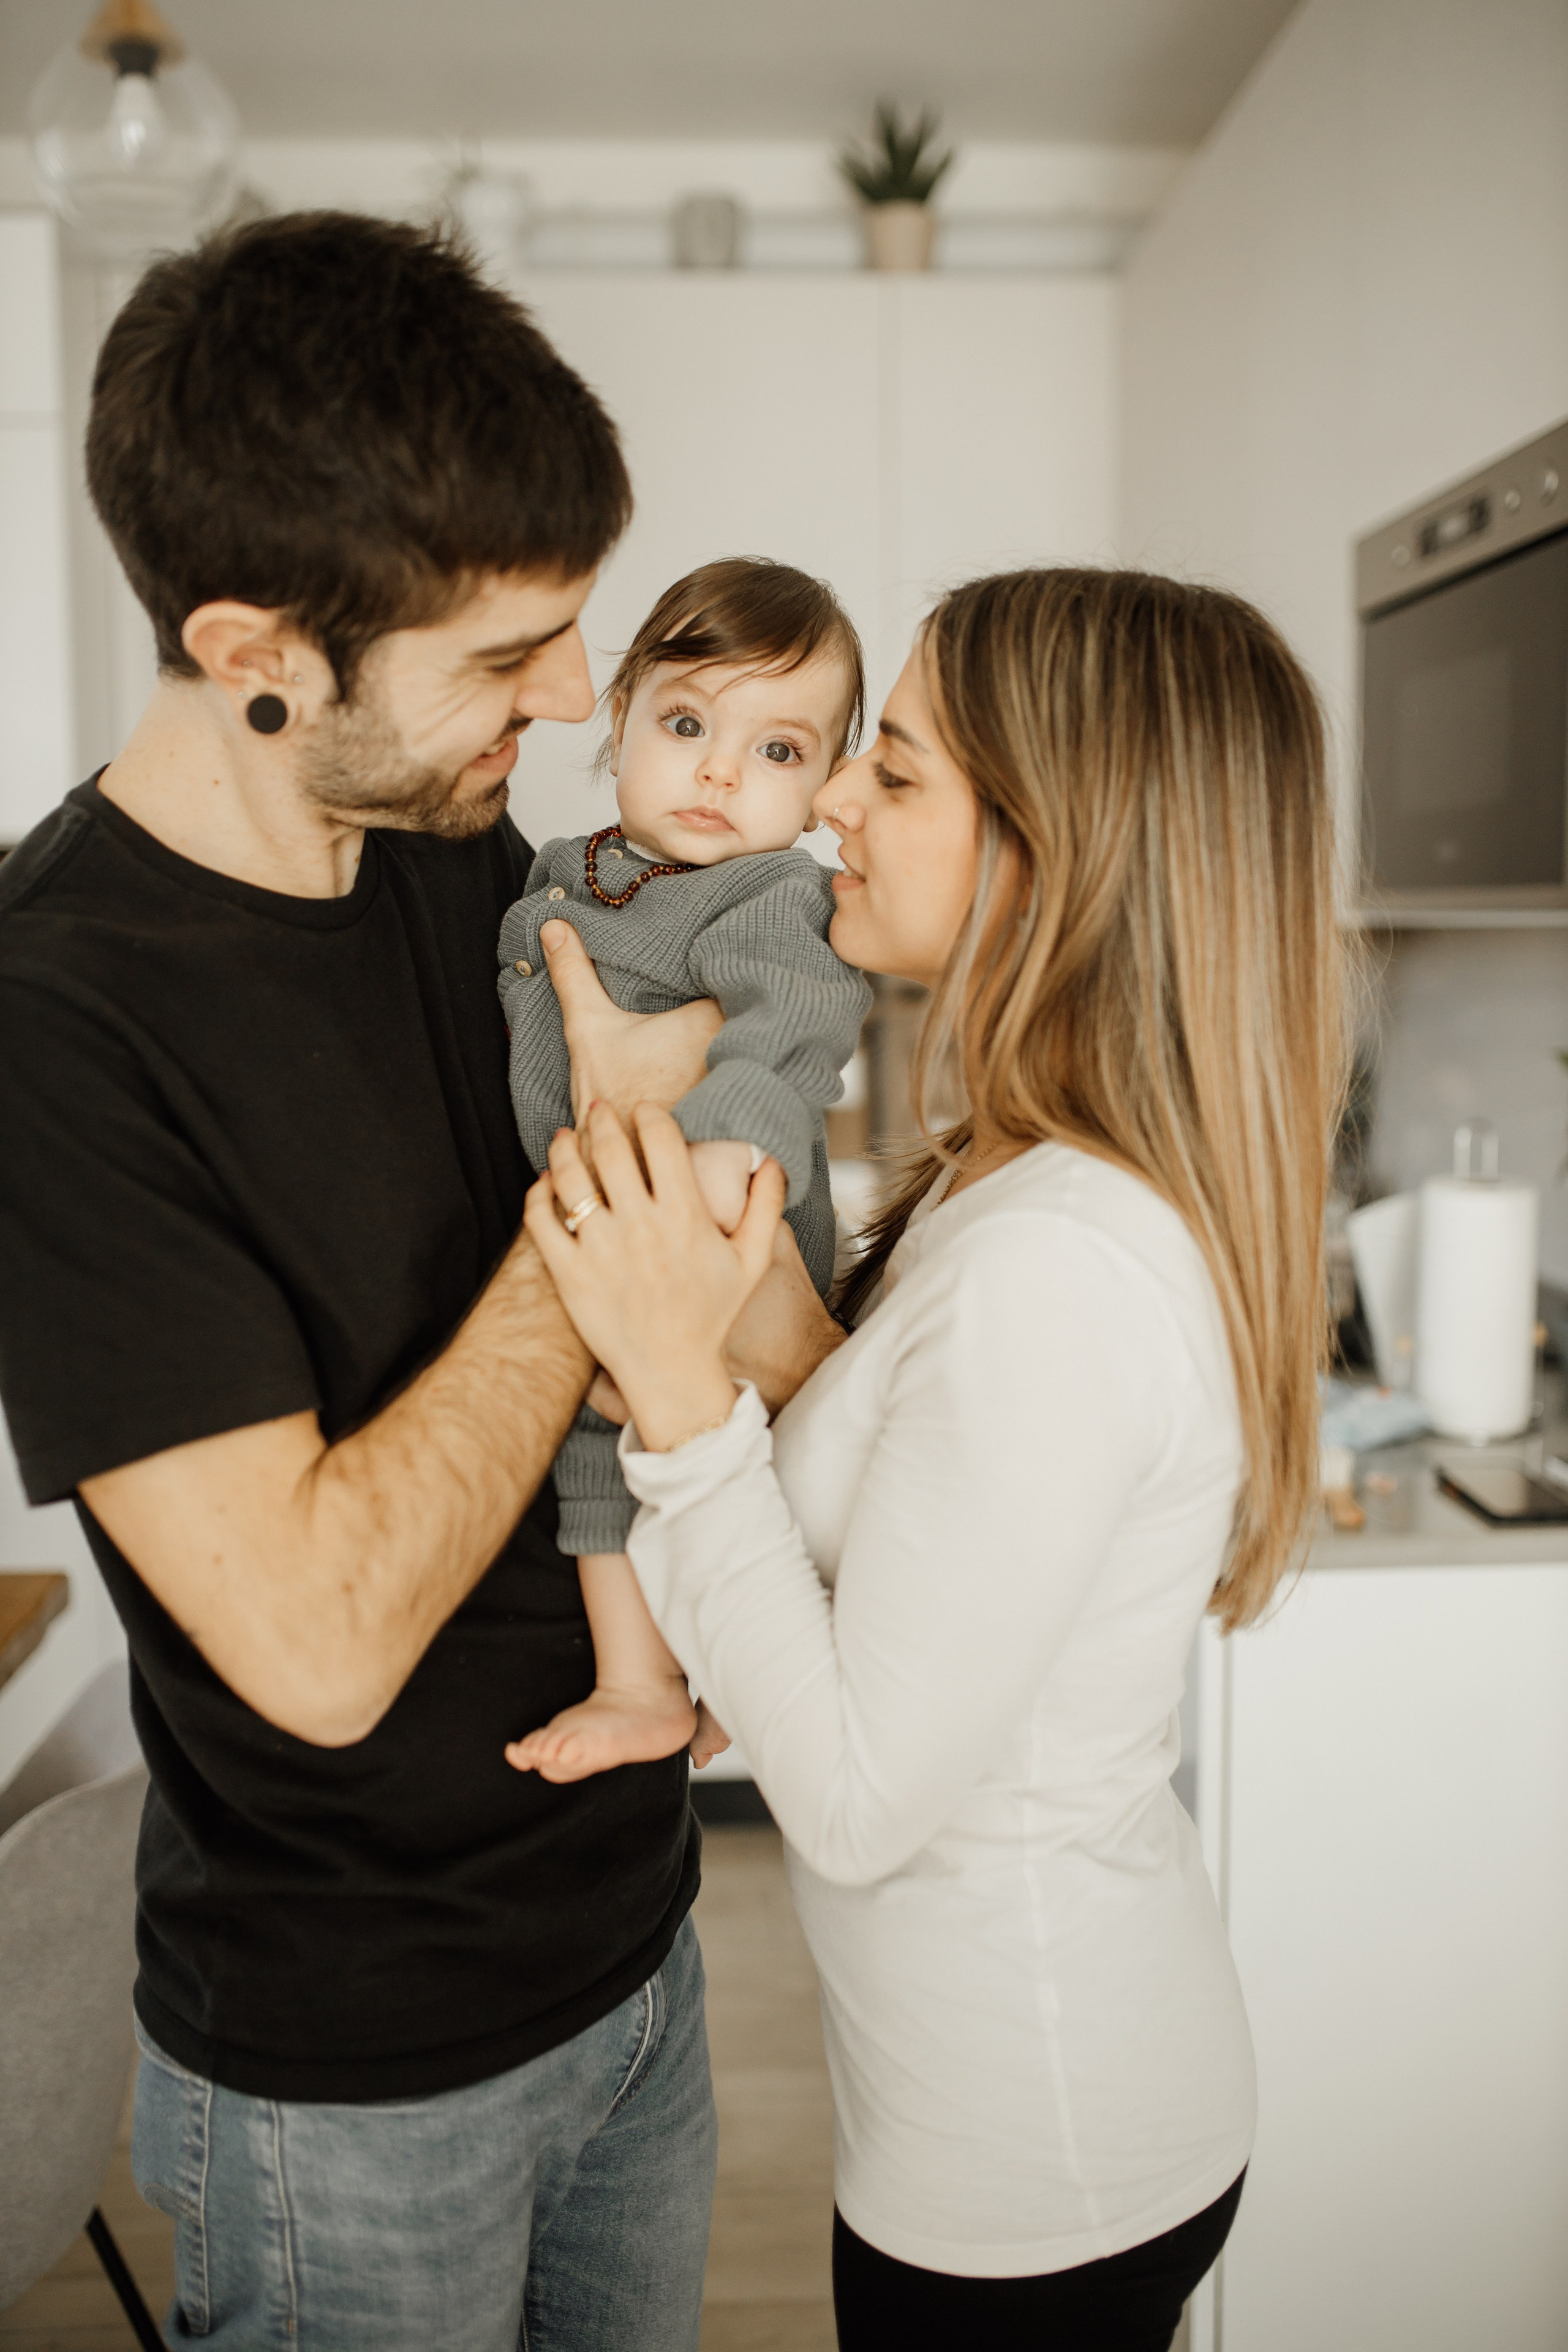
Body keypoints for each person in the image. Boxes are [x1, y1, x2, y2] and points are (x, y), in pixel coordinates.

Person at [0, 211, 839, 2352]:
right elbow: (318, 1648)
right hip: (350, 2100)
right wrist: (608, 1179)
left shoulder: (471, 855)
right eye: (505, 658)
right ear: (255, 644)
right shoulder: (55, 1014)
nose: (569, 703)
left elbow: (739, 1311)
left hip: (640, 1959)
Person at [523, 567, 1350, 2350]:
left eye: (890, 771)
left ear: (1048, 852)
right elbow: (897, 1501)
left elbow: (855, 1798)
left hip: (1032, 2167)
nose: (827, 800)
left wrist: (678, 1403)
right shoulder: (1013, 1175)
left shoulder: (1058, 1260)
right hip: (986, 2117)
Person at [499, 557, 871, 1784]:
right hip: (600, 1241)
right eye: (686, 724)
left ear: (824, 787)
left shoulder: (770, 893)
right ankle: (641, 1682)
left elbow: (796, 1021)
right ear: (619, 724)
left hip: (720, 1238)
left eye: (777, 751)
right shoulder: (560, 869)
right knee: (590, 1445)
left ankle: (677, 1677)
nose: (720, 770)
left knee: (682, 1450)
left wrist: (724, 1151)